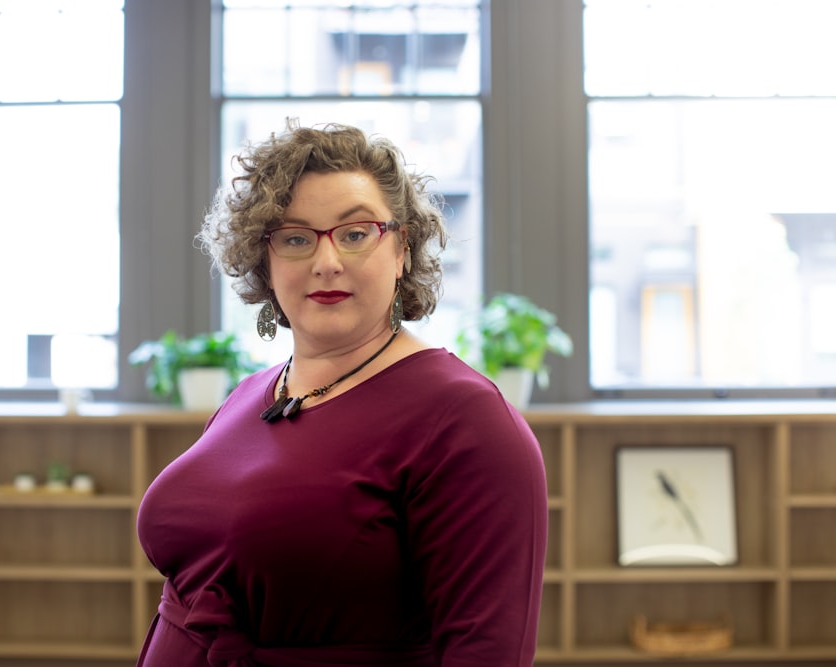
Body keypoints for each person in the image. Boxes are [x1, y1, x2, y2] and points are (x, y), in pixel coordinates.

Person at [136, 120, 548, 667]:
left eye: (355, 234)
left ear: (402, 248)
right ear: (266, 259)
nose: (326, 261)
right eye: (296, 237)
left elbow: (487, 655)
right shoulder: (250, 394)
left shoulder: (467, 420)